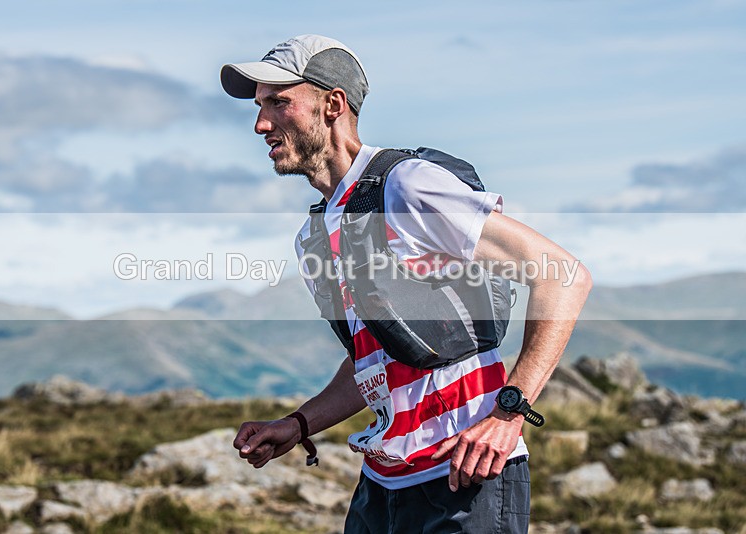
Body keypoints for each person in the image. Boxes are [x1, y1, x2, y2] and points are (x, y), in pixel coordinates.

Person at [220, 34, 592, 533]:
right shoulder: (317, 230)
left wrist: (509, 412)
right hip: (383, 485)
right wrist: (299, 424)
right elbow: (375, 360)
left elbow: (564, 275)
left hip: (464, 475)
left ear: (333, 105)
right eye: (260, 106)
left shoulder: (406, 185)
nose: (261, 123)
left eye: (278, 103)